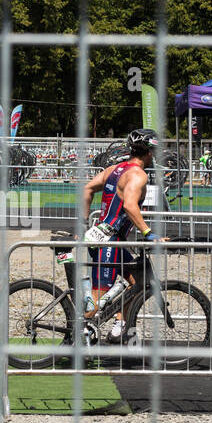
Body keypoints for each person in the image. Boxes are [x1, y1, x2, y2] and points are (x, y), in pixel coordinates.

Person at [78, 128, 167, 343]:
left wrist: (84, 222)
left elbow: (87, 189)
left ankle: (119, 325)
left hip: (107, 238)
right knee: (99, 296)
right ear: (149, 152)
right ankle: (80, 333)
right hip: (110, 242)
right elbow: (129, 205)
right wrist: (148, 233)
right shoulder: (138, 175)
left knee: (138, 281)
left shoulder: (114, 169)